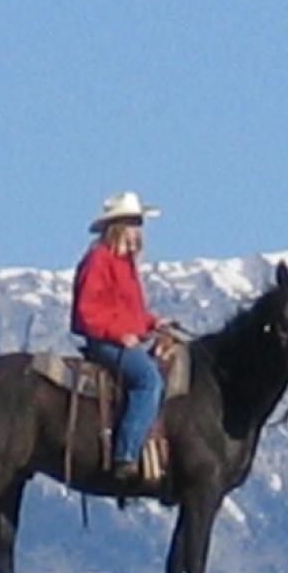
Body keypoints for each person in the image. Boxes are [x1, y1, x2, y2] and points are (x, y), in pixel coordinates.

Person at [71, 191, 166, 482]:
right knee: (149, 380)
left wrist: (153, 323)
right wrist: (118, 334)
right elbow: (87, 311)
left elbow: (129, 311)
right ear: (118, 227)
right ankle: (126, 454)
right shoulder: (99, 260)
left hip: (122, 338)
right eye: (134, 223)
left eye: (139, 223)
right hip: (104, 342)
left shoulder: (124, 264)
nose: (139, 230)